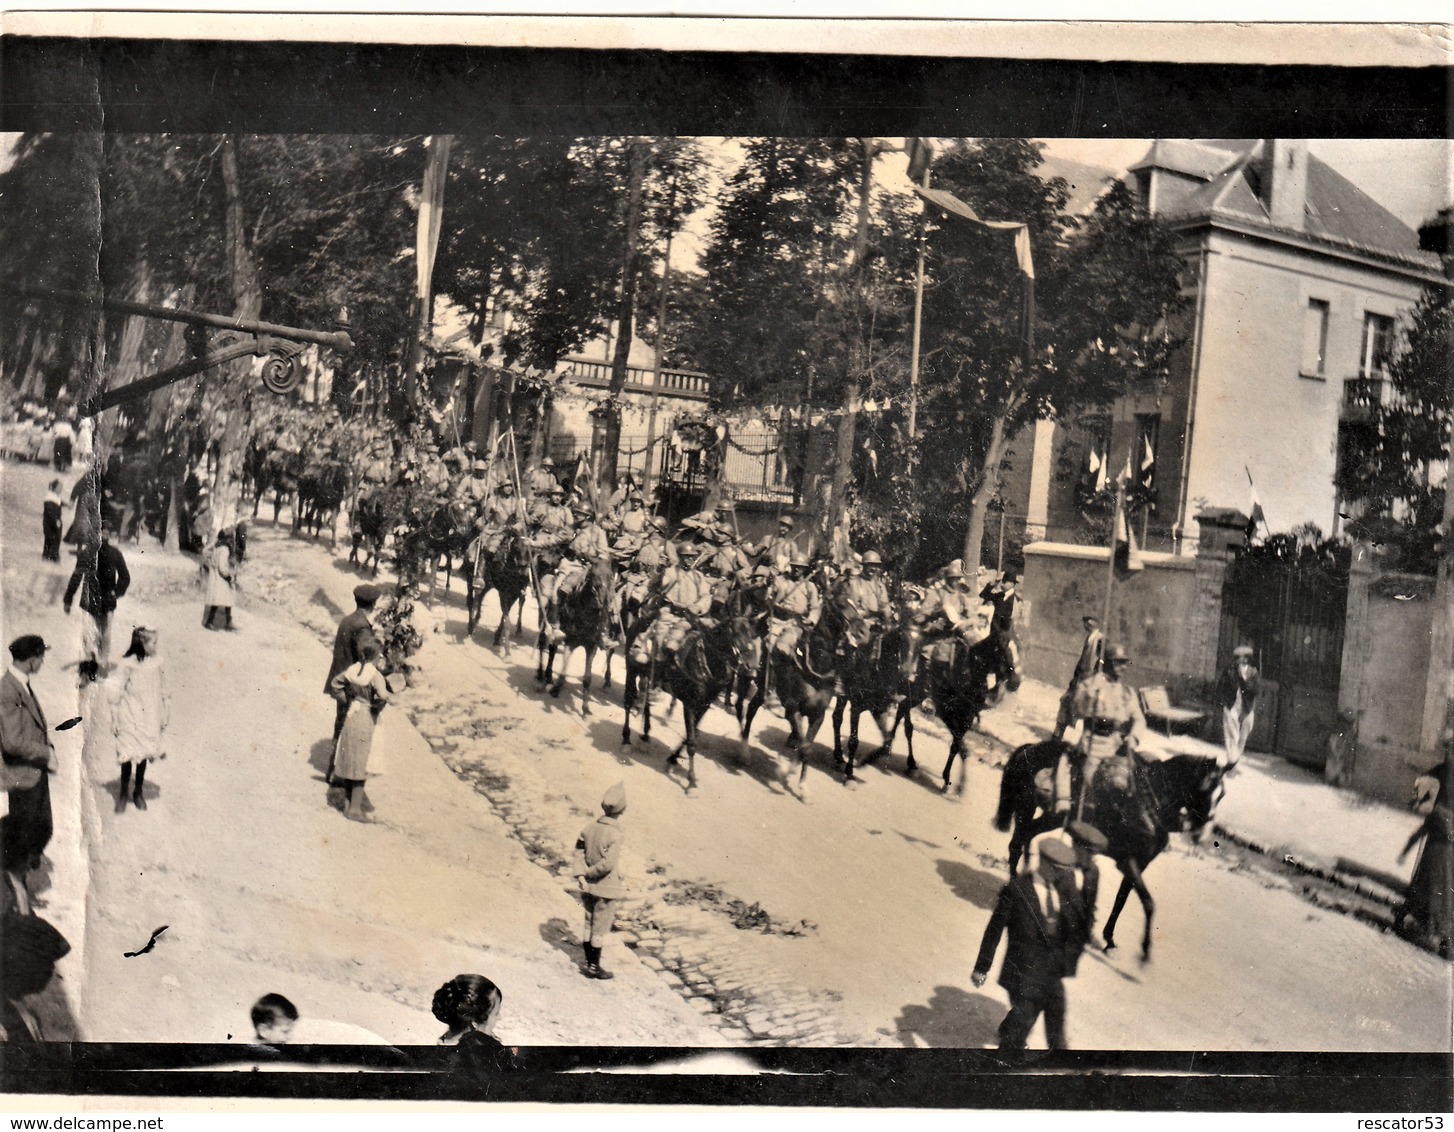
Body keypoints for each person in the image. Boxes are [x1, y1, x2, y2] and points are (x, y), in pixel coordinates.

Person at [971, 838, 1088, 1052]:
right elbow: (994, 930)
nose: (1063, 876)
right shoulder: (1016, 890)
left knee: (1057, 1027)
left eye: (1065, 871)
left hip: (1050, 972)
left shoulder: (1061, 892)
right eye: (1058, 870)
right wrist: (981, 967)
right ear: (1043, 864)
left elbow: (1075, 926)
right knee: (1023, 1022)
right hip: (1021, 972)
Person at [1054, 643, 1146, 824]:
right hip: (1093, 740)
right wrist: (1089, 693)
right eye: (1119, 663)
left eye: (1126, 663)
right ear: (1108, 663)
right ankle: (1067, 809)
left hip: (1116, 743)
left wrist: (1133, 738)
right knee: (1084, 777)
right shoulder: (1090, 685)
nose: (1124, 667)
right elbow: (1076, 711)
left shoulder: (1128, 693)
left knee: (1136, 780)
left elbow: (1139, 719)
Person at [0, 637, 56, 891]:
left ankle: (20, 883)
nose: (43, 661)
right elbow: (12, 742)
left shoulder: (21, 684)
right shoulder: (7, 690)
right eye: (41, 656)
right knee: (21, 842)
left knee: (42, 829)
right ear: (31, 658)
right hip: (22, 775)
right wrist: (45, 752)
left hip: (34, 771)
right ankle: (18, 901)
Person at [1395, 736, 1454, 957]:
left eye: (1451, 750)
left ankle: (1429, 930)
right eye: (1448, 750)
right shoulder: (1443, 769)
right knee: (1439, 884)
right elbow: (1425, 779)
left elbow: (1425, 782)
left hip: (1441, 828)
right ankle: (1438, 931)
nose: (1449, 754)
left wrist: (1422, 800)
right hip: (1442, 828)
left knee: (1433, 883)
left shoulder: (1445, 769)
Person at [329, 641, 390, 822]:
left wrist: (346, 699)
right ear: (377, 657)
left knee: (351, 758)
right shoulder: (375, 675)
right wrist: (376, 708)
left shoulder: (353, 670)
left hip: (351, 715)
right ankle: (355, 810)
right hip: (365, 718)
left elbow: (335, 684)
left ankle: (348, 804)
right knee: (362, 762)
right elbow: (383, 697)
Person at [110, 627, 168, 815]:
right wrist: (114, 718)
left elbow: (164, 689)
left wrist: (166, 712)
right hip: (129, 714)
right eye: (153, 643)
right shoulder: (127, 664)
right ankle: (123, 792)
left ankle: (138, 792)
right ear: (142, 644)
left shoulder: (157, 663)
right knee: (127, 752)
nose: (156, 647)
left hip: (149, 715)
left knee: (142, 753)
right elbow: (115, 691)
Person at [574, 782, 629, 980]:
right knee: (600, 927)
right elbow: (607, 864)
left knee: (589, 923)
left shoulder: (589, 828)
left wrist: (581, 875)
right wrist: (590, 873)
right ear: (622, 810)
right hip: (606, 887)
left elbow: (578, 852)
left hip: (587, 887)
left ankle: (588, 962)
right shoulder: (616, 833)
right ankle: (594, 967)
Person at [326, 584, 381, 763]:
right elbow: (365, 655)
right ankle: (339, 771)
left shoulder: (347, 619)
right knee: (349, 726)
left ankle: (333, 766)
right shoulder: (362, 626)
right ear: (373, 605)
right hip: (351, 684)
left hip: (340, 678)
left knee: (341, 720)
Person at [62, 531, 131, 669]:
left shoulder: (114, 554)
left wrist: (116, 592)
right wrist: (68, 598)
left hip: (106, 602)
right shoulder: (87, 553)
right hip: (90, 602)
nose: (102, 536)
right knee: (90, 634)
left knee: (103, 635)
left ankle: (100, 663)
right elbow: (76, 577)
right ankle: (90, 664)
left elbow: (125, 577)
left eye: (105, 533)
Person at [432, 974, 514, 1069]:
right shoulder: (484, 1060)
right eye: (495, 1013)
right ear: (474, 1023)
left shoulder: (441, 1049)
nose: (499, 1017)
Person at [1052, 616, 1104, 742]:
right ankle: (1058, 734)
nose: (1084, 625)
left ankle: (1081, 741)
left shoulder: (1100, 639)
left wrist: (1094, 678)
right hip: (1080, 677)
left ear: (1092, 623)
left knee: (1086, 710)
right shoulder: (1090, 637)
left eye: (1086, 622)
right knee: (1067, 702)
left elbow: (1102, 661)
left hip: (1088, 680)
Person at [766, 554, 822, 659]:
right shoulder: (780, 581)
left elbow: (815, 608)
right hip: (776, 621)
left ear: (805, 569)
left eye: (800, 567)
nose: (796, 569)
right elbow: (769, 599)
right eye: (794, 565)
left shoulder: (809, 586)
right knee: (767, 647)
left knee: (782, 646)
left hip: (796, 624)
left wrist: (810, 620)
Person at [1216, 645, 1260, 768]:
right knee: (1231, 736)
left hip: (1247, 707)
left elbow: (1255, 690)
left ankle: (1235, 760)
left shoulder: (1253, 672)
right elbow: (1221, 687)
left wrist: (1245, 679)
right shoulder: (1229, 671)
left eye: (1244, 658)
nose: (1241, 660)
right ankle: (1232, 763)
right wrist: (1225, 703)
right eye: (1238, 658)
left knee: (1243, 736)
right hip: (1232, 705)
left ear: (1248, 659)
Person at [202, 530, 238, 631]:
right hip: (221, 579)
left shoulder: (216, 547)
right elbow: (222, 566)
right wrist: (228, 577)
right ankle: (213, 621)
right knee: (224, 599)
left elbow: (205, 552)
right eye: (230, 539)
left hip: (215, 578)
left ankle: (227, 621)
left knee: (222, 600)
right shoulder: (225, 549)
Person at [41, 480, 64, 563]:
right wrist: (56, 520)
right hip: (51, 522)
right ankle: (51, 556)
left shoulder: (54, 496)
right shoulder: (50, 498)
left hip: (54, 522)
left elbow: (59, 502)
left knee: (54, 539)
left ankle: (50, 555)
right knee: (51, 539)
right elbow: (50, 511)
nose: (61, 489)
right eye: (59, 487)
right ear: (55, 488)